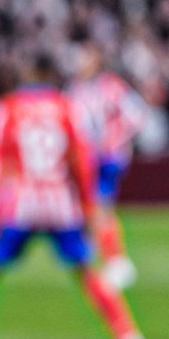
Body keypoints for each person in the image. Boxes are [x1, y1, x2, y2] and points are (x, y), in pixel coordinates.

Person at [0, 54, 147, 339]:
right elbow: (82, 162)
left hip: (20, 205)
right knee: (85, 270)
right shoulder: (69, 108)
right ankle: (128, 338)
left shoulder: (6, 108)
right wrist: (88, 208)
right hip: (60, 205)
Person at [68, 42, 150, 289]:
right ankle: (98, 252)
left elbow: (136, 115)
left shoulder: (110, 86)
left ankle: (117, 262)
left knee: (99, 206)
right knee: (89, 206)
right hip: (85, 156)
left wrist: (115, 139)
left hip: (106, 157)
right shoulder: (75, 88)